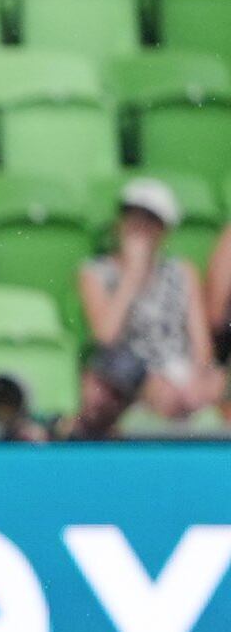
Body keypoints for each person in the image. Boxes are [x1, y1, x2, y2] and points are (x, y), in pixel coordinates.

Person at [75, 179, 224, 438]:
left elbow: (201, 344)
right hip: (126, 374)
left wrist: (196, 380)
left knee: (215, 384)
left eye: (150, 220)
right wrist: (132, 276)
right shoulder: (94, 273)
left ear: (163, 230)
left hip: (178, 372)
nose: (139, 227)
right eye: (132, 217)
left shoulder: (182, 272)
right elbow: (105, 336)